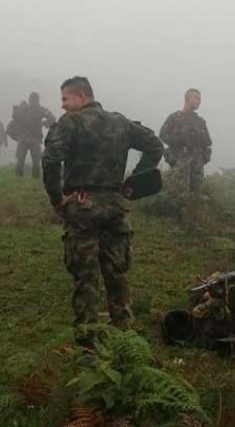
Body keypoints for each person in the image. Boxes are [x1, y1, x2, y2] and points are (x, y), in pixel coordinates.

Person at [42, 76, 163, 328]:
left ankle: (88, 340)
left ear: (82, 96)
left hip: (82, 204)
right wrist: (133, 183)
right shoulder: (120, 122)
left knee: (85, 275)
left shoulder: (71, 122)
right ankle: (124, 332)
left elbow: (51, 160)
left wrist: (58, 199)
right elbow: (155, 145)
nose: (63, 105)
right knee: (116, 271)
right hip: (116, 206)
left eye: (65, 98)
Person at [159, 88, 212, 194]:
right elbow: (163, 135)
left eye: (200, 99)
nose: (199, 101)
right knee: (178, 194)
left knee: (196, 195)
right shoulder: (175, 118)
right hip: (180, 164)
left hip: (197, 168)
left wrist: (197, 137)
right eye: (196, 98)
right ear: (187, 99)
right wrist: (180, 140)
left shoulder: (199, 121)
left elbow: (208, 141)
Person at [7, 92, 55, 178]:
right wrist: (17, 108)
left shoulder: (39, 109)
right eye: (33, 100)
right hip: (25, 138)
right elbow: (15, 117)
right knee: (21, 160)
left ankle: (32, 179)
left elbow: (52, 118)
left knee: (34, 161)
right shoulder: (27, 108)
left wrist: (44, 123)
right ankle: (20, 178)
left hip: (33, 138)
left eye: (34, 100)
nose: (33, 102)